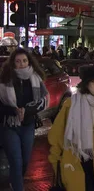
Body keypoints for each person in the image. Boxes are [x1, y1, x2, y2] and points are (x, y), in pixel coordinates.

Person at [0, 48, 48, 191]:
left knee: (25, 160)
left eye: (24, 61)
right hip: (9, 125)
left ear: (29, 62)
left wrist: (26, 110)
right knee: (16, 160)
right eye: (18, 61)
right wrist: (13, 110)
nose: (21, 64)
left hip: (28, 124)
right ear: (13, 63)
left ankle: (15, 180)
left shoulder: (36, 79)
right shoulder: (4, 79)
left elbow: (44, 100)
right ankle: (17, 187)